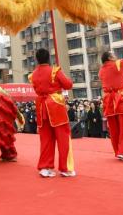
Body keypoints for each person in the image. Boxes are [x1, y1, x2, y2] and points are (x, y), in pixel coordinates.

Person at [30, 48, 75, 178]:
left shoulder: (33, 74)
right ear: (48, 58)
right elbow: (68, 85)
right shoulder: (55, 71)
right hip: (55, 105)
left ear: (37, 59)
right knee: (63, 137)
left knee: (45, 139)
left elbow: (37, 89)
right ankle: (65, 168)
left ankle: (45, 167)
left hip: (41, 106)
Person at [99, 41, 123, 162]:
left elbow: (113, 80)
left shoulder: (101, 71)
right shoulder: (117, 64)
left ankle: (119, 152)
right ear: (109, 57)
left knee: (114, 130)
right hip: (120, 99)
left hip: (108, 101)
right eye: (113, 54)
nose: (115, 56)